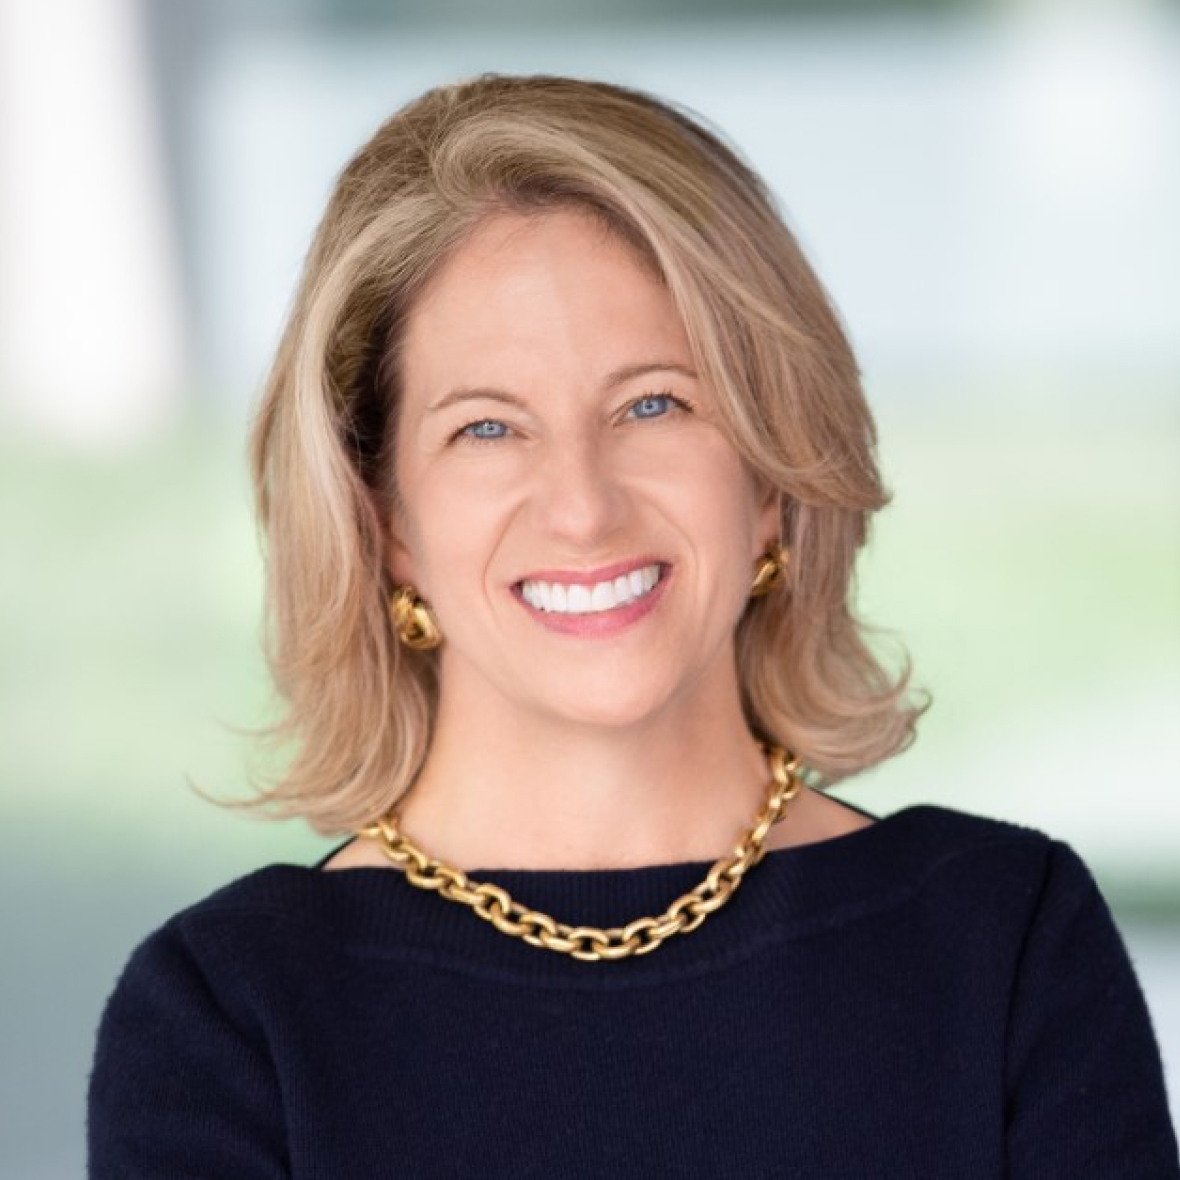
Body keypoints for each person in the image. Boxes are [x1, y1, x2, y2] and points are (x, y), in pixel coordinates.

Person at [88, 74, 1178, 1177]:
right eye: (486, 428)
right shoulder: (229, 1018)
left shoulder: (1003, 941)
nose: (582, 505)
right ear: (386, 520)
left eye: (654, 403)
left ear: (770, 473)